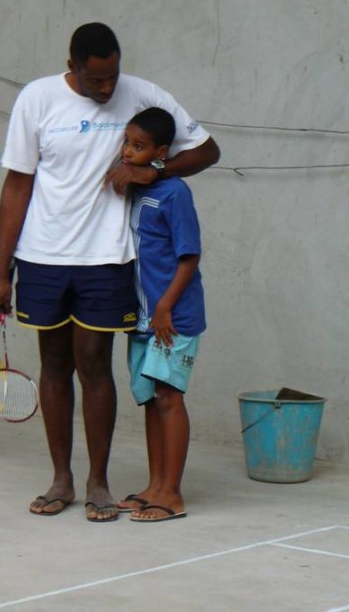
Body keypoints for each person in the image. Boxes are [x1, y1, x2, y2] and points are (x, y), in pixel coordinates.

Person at [0, 22, 219, 522]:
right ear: (72, 67)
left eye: (113, 77)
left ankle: (98, 482)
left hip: (108, 261)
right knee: (54, 363)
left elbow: (207, 150)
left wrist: (154, 171)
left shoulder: (142, 95)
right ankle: (61, 479)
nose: (108, 89)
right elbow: (17, 185)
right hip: (43, 257)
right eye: (96, 81)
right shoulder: (37, 98)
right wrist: (1, 271)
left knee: (94, 364)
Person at [117, 107, 205, 522]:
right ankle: (154, 485)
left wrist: (166, 305)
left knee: (170, 397)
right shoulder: (135, 190)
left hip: (173, 317)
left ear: (161, 151)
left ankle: (172, 494)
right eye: (126, 143)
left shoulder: (175, 193)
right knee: (151, 399)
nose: (128, 152)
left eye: (138, 146)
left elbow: (189, 257)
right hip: (142, 317)